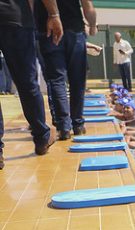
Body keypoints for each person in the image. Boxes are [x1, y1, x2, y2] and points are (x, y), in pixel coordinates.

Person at [0, 0, 62, 169]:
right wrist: (54, 14)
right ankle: (41, 136)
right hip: (15, 17)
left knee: (27, 82)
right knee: (27, 82)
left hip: (16, 18)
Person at [35, 0, 96, 140]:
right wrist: (92, 25)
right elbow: (88, 5)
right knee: (77, 81)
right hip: (74, 30)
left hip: (48, 29)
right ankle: (78, 124)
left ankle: (64, 127)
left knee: (57, 80)